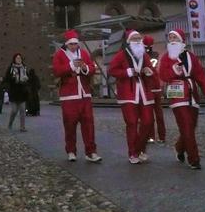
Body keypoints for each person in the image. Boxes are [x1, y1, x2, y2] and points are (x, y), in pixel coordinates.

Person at [159, 28, 205, 170]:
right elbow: (163, 75)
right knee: (186, 125)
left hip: (192, 93)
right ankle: (194, 159)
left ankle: (179, 147)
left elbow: (200, 74)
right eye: (170, 38)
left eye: (175, 37)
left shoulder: (191, 56)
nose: (172, 40)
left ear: (182, 40)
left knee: (191, 126)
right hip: (176, 93)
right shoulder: (166, 57)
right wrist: (174, 71)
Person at [52, 29, 102, 163]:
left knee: (88, 124)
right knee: (70, 125)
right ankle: (71, 150)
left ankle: (91, 152)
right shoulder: (60, 55)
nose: (74, 46)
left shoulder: (84, 53)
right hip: (69, 95)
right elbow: (56, 71)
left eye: (75, 44)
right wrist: (70, 65)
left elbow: (92, 68)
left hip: (84, 94)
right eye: (71, 44)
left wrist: (85, 67)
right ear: (67, 44)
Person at [108, 29, 156, 164]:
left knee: (148, 122)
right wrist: (128, 72)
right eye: (134, 38)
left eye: (139, 38)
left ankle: (139, 149)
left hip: (144, 92)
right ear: (129, 41)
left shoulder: (144, 55)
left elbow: (150, 69)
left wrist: (148, 71)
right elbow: (112, 70)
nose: (138, 40)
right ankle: (133, 153)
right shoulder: (121, 55)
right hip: (128, 93)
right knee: (132, 123)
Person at [143, 35, 166, 144]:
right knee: (158, 113)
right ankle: (161, 136)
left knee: (150, 114)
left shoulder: (142, 56)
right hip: (156, 86)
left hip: (148, 87)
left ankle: (151, 136)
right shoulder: (156, 54)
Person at [5, 53, 29, 132]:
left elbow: (28, 78)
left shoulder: (24, 68)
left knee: (22, 110)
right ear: (14, 59)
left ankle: (22, 127)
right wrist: (13, 78)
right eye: (17, 58)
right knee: (14, 110)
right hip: (13, 92)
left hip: (22, 92)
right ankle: (10, 123)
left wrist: (26, 79)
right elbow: (7, 79)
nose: (19, 59)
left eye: (20, 58)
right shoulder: (11, 68)